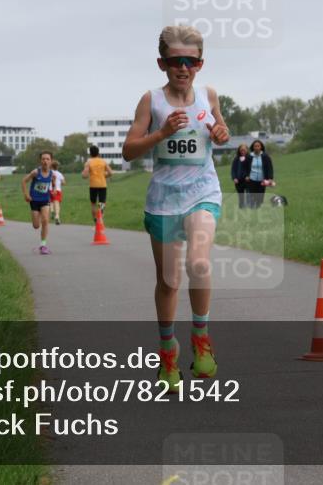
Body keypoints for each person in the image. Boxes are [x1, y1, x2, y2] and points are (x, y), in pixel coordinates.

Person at [121, 25, 230, 393]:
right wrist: (161, 133)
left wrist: (221, 133)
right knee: (169, 282)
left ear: (200, 64)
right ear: (161, 63)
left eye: (191, 61)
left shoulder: (208, 94)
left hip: (202, 191)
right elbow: (129, 150)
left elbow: (220, 126)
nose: (183, 68)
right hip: (164, 200)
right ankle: (168, 349)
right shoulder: (151, 101)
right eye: (175, 61)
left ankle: (201, 338)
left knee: (198, 262)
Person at [21, 151, 55, 254]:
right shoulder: (35, 172)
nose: (45, 161)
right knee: (36, 225)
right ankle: (38, 214)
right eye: (43, 159)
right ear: (40, 161)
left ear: (51, 161)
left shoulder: (52, 174)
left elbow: (52, 183)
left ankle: (43, 245)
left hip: (45, 199)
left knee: (45, 220)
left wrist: (53, 190)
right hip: (34, 200)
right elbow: (23, 181)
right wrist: (26, 194)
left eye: (47, 159)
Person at [82, 145, 112, 223]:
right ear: (98, 152)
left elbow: (84, 175)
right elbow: (110, 172)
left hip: (93, 185)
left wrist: (87, 174)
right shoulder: (103, 162)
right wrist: (104, 175)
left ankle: (95, 220)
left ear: (90, 154)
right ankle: (100, 219)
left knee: (93, 204)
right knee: (101, 203)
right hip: (102, 185)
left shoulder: (88, 162)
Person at [243, 139, 275, 208]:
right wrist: (246, 176)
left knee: (260, 195)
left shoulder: (265, 156)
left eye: (258, 146)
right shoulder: (249, 157)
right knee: (252, 195)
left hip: (262, 180)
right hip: (251, 179)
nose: (257, 148)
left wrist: (270, 178)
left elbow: (270, 167)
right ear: (253, 147)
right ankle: (252, 207)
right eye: (255, 146)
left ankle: (258, 206)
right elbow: (244, 168)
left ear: (261, 147)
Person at [230, 143, 250, 209]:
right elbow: (233, 170)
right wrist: (234, 178)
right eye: (241, 150)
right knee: (240, 195)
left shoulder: (249, 159)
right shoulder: (236, 159)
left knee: (248, 194)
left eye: (244, 150)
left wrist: (248, 176)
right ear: (239, 151)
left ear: (247, 150)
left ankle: (249, 206)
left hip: (247, 180)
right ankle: (241, 206)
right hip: (238, 181)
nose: (243, 151)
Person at [50, 160, 65, 225]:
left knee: (50, 202)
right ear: (57, 167)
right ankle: (57, 216)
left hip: (49, 189)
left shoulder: (49, 173)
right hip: (57, 190)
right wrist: (60, 182)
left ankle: (52, 210)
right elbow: (64, 182)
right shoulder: (59, 174)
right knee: (57, 203)